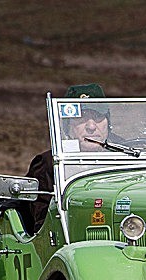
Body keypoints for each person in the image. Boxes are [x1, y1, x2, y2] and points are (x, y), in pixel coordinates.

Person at [26, 83, 121, 230]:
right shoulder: (49, 164)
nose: (91, 126)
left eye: (97, 117)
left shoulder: (130, 156)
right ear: (67, 125)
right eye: (81, 118)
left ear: (107, 122)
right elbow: (43, 225)